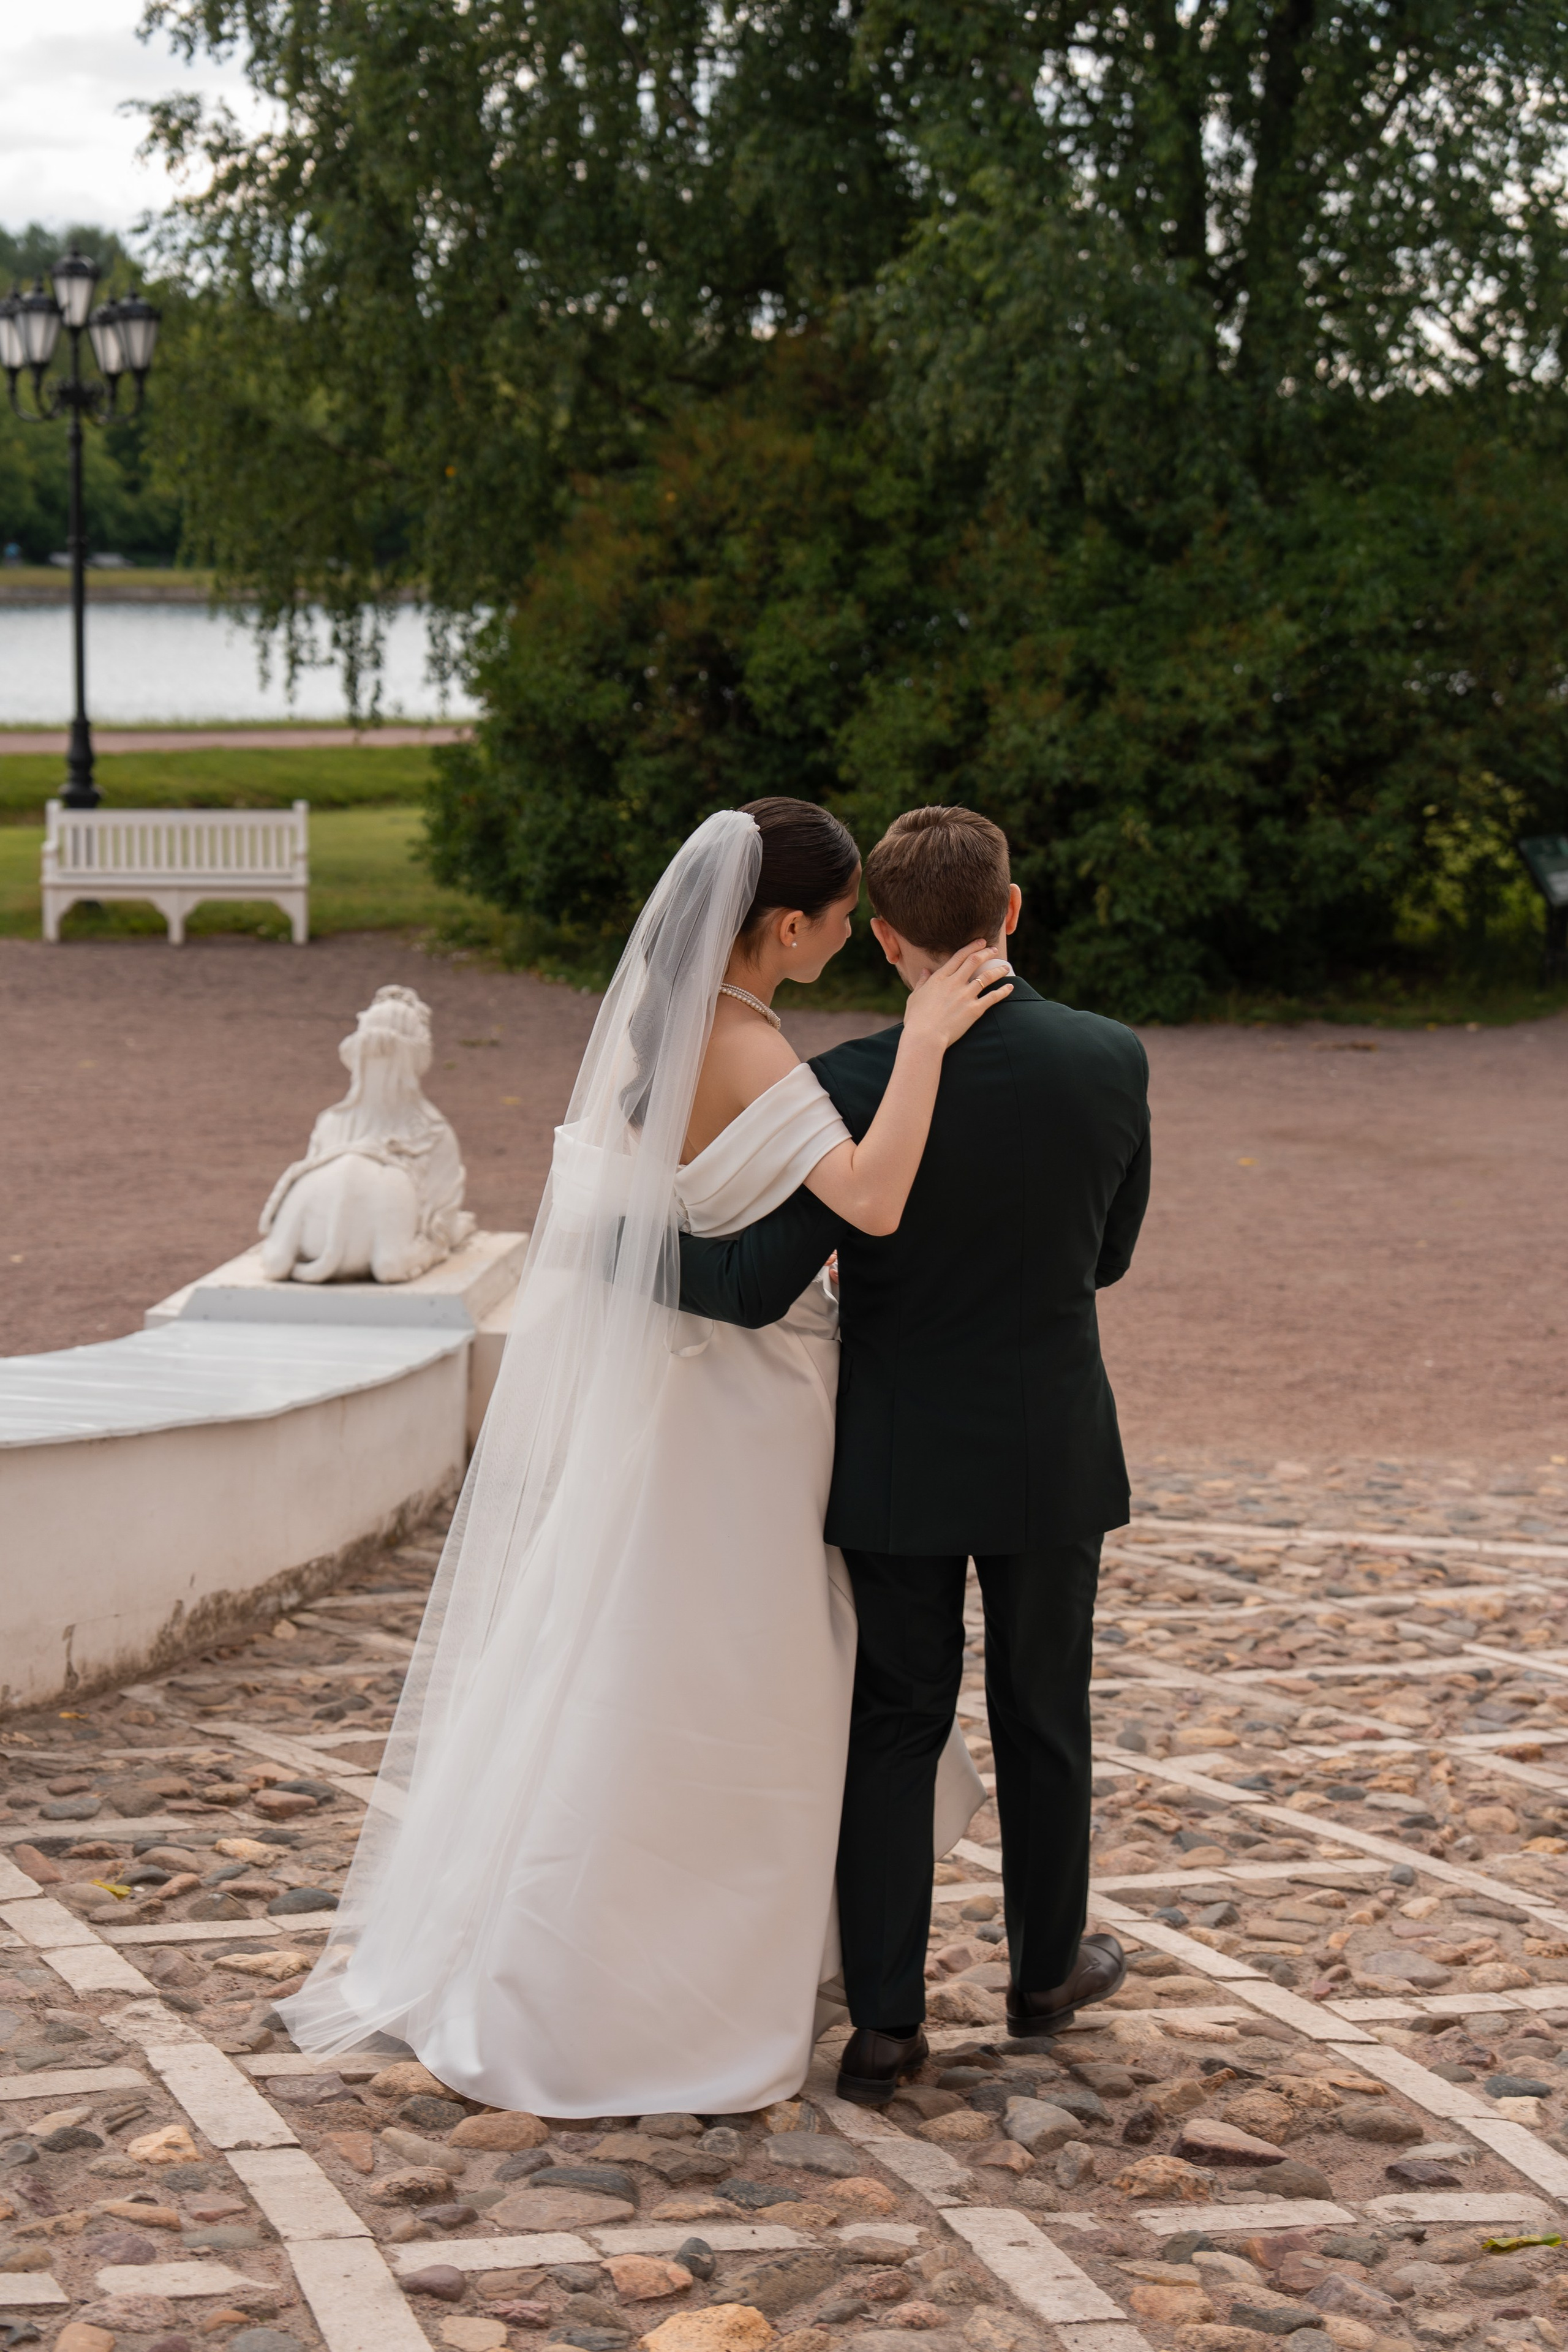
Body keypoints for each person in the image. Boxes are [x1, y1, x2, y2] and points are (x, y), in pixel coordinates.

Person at [278, 799, 1006, 2114]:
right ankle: (674, 1981)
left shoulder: (658, 1032)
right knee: (746, 1681)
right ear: (786, 923)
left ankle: (629, 1953)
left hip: (676, 1409)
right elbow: (877, 1199)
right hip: (751, 1413)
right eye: (840, 924)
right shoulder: (747, 1051)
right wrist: (922, 1043)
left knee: (633, 1659)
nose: (847, 943)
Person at [678, 805, 1152, 2103]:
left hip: (894, 1455)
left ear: (883, 938)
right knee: (1043, 1711)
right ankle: (1045, 1973)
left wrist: (610, 1238)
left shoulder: (837, 1081)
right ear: (1011, 911)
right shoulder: (1110, 1059)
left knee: (893, 1723)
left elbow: (757, 1278)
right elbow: (1106, 1255)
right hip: (1051, 1442)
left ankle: (886, 2024)